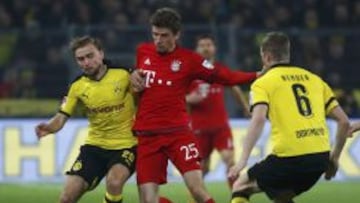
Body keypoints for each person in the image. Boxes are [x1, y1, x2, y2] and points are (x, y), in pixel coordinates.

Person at [130, 7, 261, 203]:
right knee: (148, 200)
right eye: (155, 34)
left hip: (178, 134)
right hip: (148, 136)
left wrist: (256, 75)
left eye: (164, 35)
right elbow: (133, 80)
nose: (158, 40)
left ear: (177, 35)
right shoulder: (143, 51)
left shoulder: (190, 60)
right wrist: (131, 73)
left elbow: (224, 76)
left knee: (197, 190)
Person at [228, 32, 350, 203]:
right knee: (283, 196)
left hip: (289, 158)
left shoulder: (262, 83)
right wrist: (334, 159)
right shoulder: (315, 79)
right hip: (319, 158)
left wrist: (242, 161)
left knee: (241, 186)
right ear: (287, 54)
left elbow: (258, 119)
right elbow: (344, 122)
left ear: (267, 56)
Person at [35, 36, 137, 203]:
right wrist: (49, 127)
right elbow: (61, 116)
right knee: (66, 198)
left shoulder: (124, 74)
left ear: (101, 54)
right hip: (94, 147)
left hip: (126, 145)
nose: (86, 62)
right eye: (80, 59)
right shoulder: (77, 86)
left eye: (90, 56)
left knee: (114, 182)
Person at [186, 34, 251, 188]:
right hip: (198, 129)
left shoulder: (219, 70)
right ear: (196, 50)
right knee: (202, 169)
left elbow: (234, 86)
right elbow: (177, 97)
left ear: (214, 49)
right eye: (202, 45)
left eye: (209, 45)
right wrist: (189, 98)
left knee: (229, 160)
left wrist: (245, 108)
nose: (206, 48)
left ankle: (237, 195)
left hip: (220, 126)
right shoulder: (190, 72)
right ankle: (196, 197)